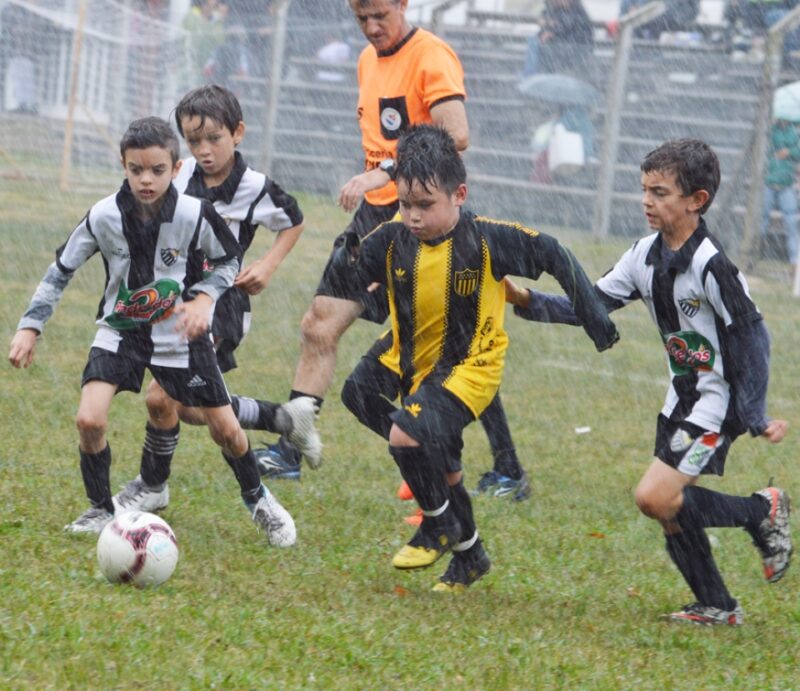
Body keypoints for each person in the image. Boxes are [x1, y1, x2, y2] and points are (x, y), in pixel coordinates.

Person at [506, 138, 792, 625]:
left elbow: (752, 337)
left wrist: (753, 412)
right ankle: (717, 606)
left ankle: (760, 511)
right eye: (644, 190)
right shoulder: (643, 256)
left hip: (715, 406)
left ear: (695, 201)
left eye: (659, 192)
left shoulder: (712, 266)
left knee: (655, 496)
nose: (646, 201)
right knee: (670, 511)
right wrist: (524, 299)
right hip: (679, 403)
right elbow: (590, 306)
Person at [266, 0, 530, 501]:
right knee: (318, 322)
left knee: (450, 350)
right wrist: (379, 179)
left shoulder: (432, 56)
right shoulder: (368, 60)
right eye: (360, 18)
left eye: (380, 16)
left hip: (423, 220)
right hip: (375, 217)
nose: (371, 28)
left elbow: (457, 135)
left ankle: (505, 468)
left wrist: (386, 172)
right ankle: (291, 447)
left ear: (404, 4)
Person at [340, 125, 619, 591]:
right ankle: (470, 556)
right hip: (407, 358)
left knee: (406, 437)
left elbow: (553, 252)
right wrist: (350, 273)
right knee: (360, 396)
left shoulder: (487, 240)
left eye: (426, 206)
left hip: (470, 366)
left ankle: (437, 523)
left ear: (459, 195)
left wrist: (595, 319)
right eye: (406, 204)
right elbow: (351, 272)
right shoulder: (392, 238)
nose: (413, 216)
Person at [8, 116, 297, 547]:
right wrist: (30, 326)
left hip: (178, 332)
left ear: (176, 168)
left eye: (157, 170)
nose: (146, 180)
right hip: (120, 330)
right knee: (89, 419)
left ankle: (259, 499)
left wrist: (203, 300)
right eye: (136, 169)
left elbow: (229, 261)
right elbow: (61, 270)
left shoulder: (193, 213)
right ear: (122, 165)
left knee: (224, 429)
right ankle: (101, 509)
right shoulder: (104, 216)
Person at [110, 86, 321, 518]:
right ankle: (283, 418)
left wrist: (267, 264)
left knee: (161, 397)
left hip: (221, 306)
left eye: (214, 139)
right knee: (186, 406)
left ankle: (155, 485)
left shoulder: (255, 187)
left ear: (238, 133)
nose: (204, 150)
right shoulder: (180, 175)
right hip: (176, 304)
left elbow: (295, 220)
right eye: (193, 140)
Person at [761, 118, 800, 266]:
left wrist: (788, 151)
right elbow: (764, 148)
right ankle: (754, 253)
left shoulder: (794, 131)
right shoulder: (770, 130)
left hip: (786, 184)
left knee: (791, 222)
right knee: (762, 220)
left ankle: (794, 259)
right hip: (769, 183)